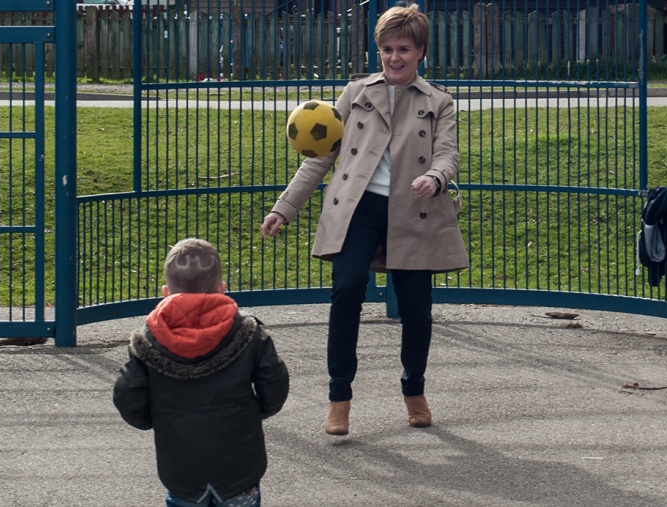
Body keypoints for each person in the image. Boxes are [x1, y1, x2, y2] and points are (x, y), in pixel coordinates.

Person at [260, 2, 467, 436]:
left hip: (415, 208)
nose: (394, 58)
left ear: (420, 52)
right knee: (346, 291)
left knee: (416, 309)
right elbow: (321, 158)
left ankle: (414, 390)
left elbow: (448, 153)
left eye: (404, 49)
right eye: (387, 49)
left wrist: (435, 177)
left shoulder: (439, 102)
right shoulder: (355, 94)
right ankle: (339, 398)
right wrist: (285, 206)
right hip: (358, 209)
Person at [113, 238, 289, 507]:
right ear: (221, 289)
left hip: (181, 465)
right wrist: (258, 411)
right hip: (239, 465)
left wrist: (154, 419)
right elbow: (274, 383)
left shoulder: (147, 340)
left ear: (165, 291)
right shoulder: (248, 332)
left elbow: (127, 395)